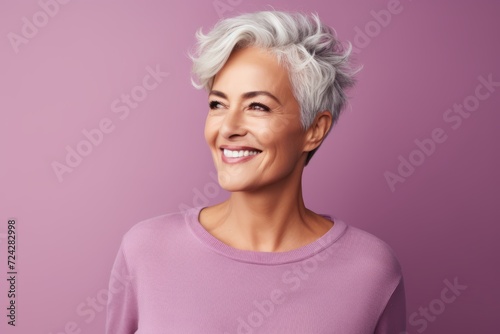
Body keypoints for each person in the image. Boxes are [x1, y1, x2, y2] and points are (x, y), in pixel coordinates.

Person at [105, 10, 406, 333]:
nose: (228, 128)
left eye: (257, 106)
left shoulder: (370, 270)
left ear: (314, 130)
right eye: (218, 105)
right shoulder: (147, 250)